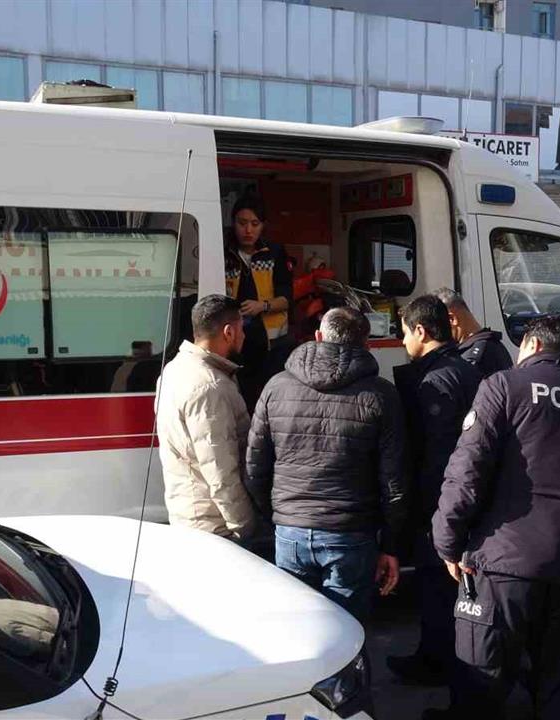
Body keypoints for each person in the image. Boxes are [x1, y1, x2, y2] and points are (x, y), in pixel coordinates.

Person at [426, 313, 560, 720]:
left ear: (533, 345)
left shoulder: (504, 386)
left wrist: (447, 542)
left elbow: (466, 472)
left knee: (481, 685)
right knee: (557, 693)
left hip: (502, 566)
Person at [245, 307, 408, 622]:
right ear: (366, 344)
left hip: (290, 531)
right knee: (346, 631)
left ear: (318, 337)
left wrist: (279, 515)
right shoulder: (381, 395)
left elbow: (255, 467)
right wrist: (391, 544)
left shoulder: (276, 387)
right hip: (350, 533)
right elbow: (394, 482)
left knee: (298, 632)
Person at [388, 296, 481, 686]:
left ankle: (437, 663)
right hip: (460, 501)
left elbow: (437, 457)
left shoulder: (436, 381)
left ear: (421, 331)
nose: (402, 342)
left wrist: (428, 512)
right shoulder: (465, 370)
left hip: (440, 505)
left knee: (437, 589)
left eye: (404, 333)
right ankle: (436, 658)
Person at [156, 294, 257, 542]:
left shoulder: (174, 369)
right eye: (242, 329)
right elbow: (220, 470)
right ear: (229, 332)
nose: (244, 336)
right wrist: (244, 526)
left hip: (188, 513)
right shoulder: (210, 387)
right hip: (215, 525)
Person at [225, 194, 294, 410]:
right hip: (233, 340)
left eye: (254, 224)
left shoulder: (274, 253)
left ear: (263, 225)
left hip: (271, 343)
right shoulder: (224, 252)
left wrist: (261, 306)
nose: (248, 230)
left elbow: (287, 298)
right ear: (233, 223)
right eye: (242, 223)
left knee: (271, 399)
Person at [432, 287, 514, 377]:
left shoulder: (475, 358)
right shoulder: (493, 345)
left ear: (452, 319)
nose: (437, 334)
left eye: (437, 326)